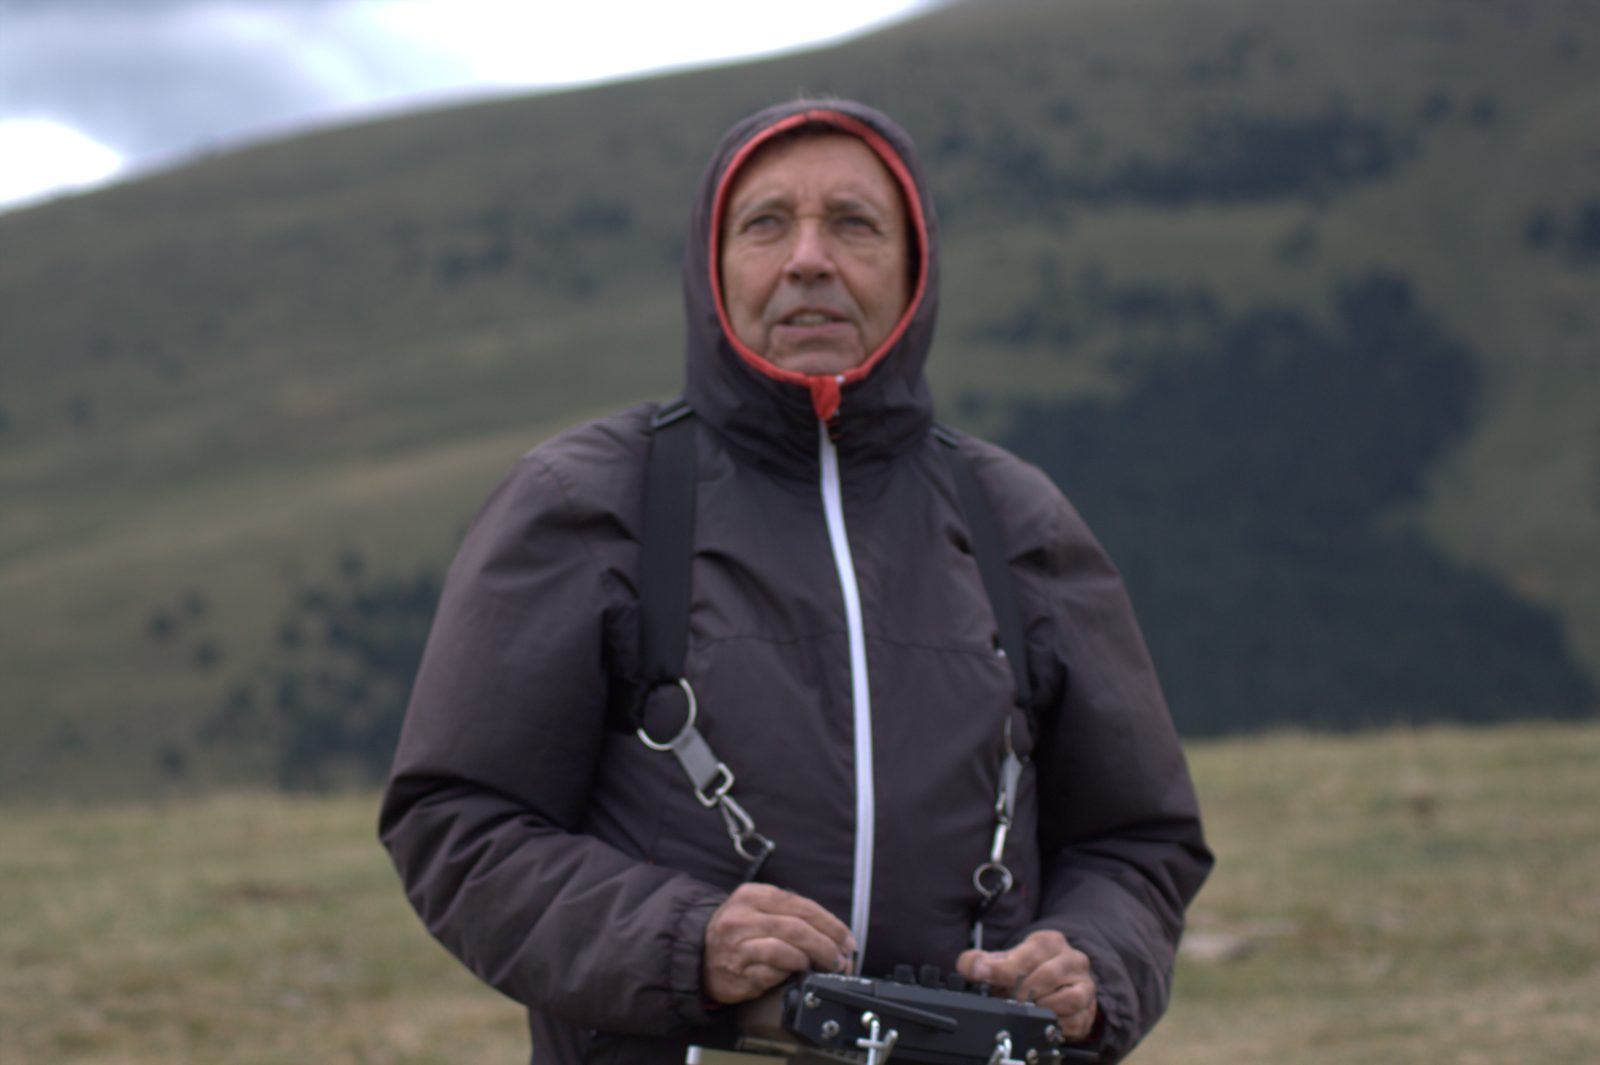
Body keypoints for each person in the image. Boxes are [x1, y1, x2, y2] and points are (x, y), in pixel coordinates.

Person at [379, 98, 1211, 1065]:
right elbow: (458, 821)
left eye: (854, 223)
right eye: (766, 223)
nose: (809, 258)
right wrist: (684, 941)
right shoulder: (585, 501)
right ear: (712, 267)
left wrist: (1094, 964)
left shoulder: (1019, 519)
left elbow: (1139, 840)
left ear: (915, 269)